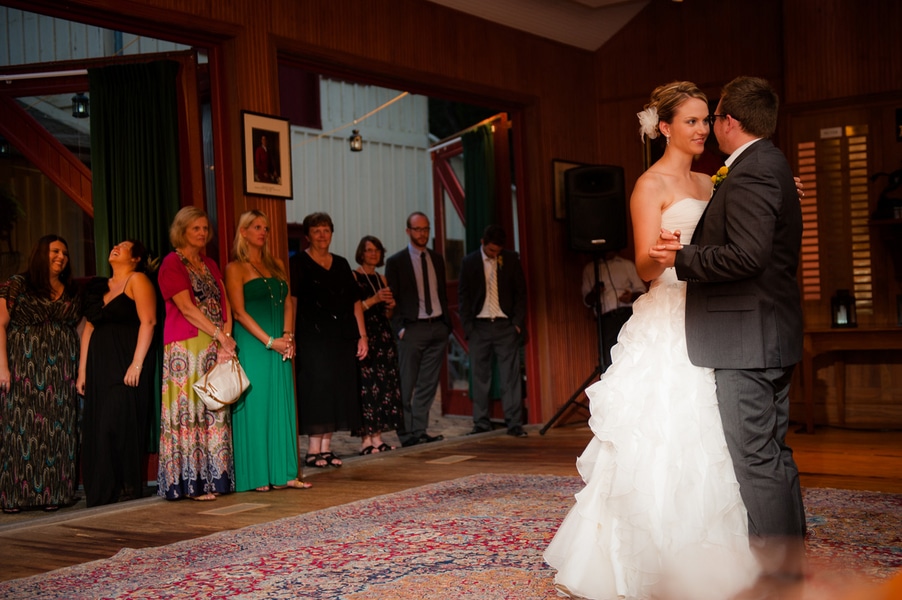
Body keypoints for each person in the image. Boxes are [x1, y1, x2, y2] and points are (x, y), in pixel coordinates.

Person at [544, 81, 761, 599]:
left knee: (713, 435)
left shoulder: (712, 180)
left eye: (706, 120)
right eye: (691, 121)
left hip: (713, 314)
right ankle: (646, 559)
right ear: (664, 127)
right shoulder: (649, 185)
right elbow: (643, 267)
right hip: (668, 316)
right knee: (663, 431)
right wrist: (662, 253)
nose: (703, 130)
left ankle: (713, 558)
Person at [650, 76, 806, 579]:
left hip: (746, 340)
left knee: (757, 460)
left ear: (729, 121)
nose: (707, 127)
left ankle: (781, 577)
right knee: (773, 454)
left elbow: (748, 256)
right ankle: (791, 563)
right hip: (767, 332)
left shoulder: (753, 171)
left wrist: (681, 258)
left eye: (711, 117)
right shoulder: (769, 165)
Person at [225, 210, 311, 492]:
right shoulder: (235, 268)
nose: (263, 232)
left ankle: (285, 472)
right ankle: (256, 475)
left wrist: (288, 336)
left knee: (281, 404)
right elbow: (238, 312)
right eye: (256, 227)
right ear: (244, 232)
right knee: (257, 405)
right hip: (254, 344)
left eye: (265, 228)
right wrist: (270, 341)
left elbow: (288, 303)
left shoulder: (276, 264)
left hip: (280, 343)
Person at [157, 206, 237, 501]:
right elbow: (186, 308)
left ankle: (216, 478)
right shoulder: (171, 263)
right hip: (186, 345)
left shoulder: (210, 263)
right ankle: (191, 483)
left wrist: (225, 338)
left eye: (205, 228)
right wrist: (220, 336)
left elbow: (225, 302)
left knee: (214, 408)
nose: (202, 233)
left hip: (214, 343)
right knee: (189, 411)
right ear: (182, 231)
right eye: (196, 228)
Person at [0, 235, 82, 513]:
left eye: (65, 253)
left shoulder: (71, 290)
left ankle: (54, 493)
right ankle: (15, 496)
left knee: (58, 429)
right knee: (19, 429)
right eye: (55, 251)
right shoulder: (18, 284)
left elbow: (79, 328)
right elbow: (0, 325)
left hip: (61, 371)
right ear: (40, 253)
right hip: (23, 367)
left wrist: (81, 369)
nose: (61, 257)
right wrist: (2, 367)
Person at [77, 240, 157, 507]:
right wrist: (82, 371)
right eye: (115, 245)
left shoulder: (137, 280)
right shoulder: (99, 287)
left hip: (125, 361)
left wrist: (137, 363)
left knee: (117, 422)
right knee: (99, 425)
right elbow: (89, 330)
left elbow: (149, 321)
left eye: (124, 246)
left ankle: (123, 490)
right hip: (99, 365)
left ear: (135, 258)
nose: (116, 247)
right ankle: (103, 493)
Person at [290, 212, 367, 468]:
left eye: (326, 230)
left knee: (337, 389)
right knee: (317, 389)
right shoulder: (298, 263)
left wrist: (362, 336)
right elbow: (293, 301)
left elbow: (355, 302)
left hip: (342, 336)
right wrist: (290, 334)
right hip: (311, 336)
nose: (322, 235)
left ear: (332, 233)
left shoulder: (342, 263)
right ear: (307, 235)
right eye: (316, 230)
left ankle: (326, 448)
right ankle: (313, 450)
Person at [384, 211, 450, 447]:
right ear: (408, 231)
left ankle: (420, 430)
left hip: (437, 327)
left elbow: (442, 292)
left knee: (428, 384)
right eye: (417, 229)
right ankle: (406, 434)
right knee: (406, 383)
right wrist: (400, 329)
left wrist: (447, 326)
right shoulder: (396, 262)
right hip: (411, 330)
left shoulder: (437, 259)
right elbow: (392, 300)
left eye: (426, 229)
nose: (422, 234)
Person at [457, 225, 528, 437]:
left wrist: (516, 323)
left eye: (498, 251)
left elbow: (521, 292)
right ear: (483, 243)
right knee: (480, 376)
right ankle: (481, 422)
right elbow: (463, 296)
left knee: (510, 376)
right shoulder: (469, 262)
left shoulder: (511, 259)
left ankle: (514, 423)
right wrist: (468, 327)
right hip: (479, 326)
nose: (494, 255)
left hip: (505, 325)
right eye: (490, 251)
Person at [352, 235, 404, 455]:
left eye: (377, 250)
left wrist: (390, 305)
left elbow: (387, 314)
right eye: (369, 250)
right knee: (366, 388)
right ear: (361, 253)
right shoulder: (355, 276)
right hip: (366, 336)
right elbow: (354, 309)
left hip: (384, 337)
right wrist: (374, 299)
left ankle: (378, 437)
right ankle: (366, 440)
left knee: (384, 388)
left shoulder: (382, 278)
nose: (373, 254)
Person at [580, 250, 647, 370]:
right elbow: (587, 301)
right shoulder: (590, 269)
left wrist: (631, 296)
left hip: (628, 316)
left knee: (633, 354)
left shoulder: (626, 265)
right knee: (610, 360)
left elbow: (642, 292)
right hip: (606, 321)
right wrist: (595, 292)